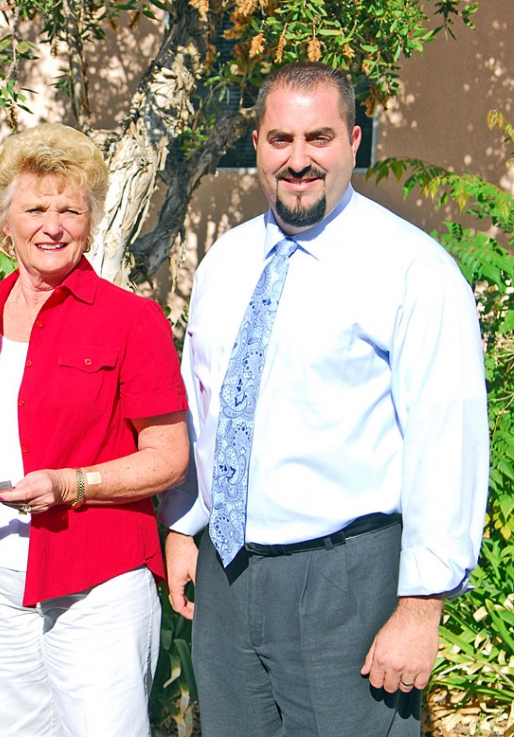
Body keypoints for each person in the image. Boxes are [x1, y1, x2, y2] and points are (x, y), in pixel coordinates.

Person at [158, 61, 490, 737]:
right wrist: (183, 524)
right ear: (256, 143)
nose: (299, 159)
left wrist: (421, 605)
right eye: (281, 139)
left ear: (354, 141)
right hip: (229, 578)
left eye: (320, 137)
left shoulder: (413, 270)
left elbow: (446, 437)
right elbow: (204, 405)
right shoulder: (225, 262)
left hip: (348, 583)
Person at [0, 123, 189, 737]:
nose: (52, 225)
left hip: (96, 586)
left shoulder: (133, 321)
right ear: (6, 223)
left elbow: (169, 456)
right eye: (35, 208)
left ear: (90, 221)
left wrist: (72, 483)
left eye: (70, 209)